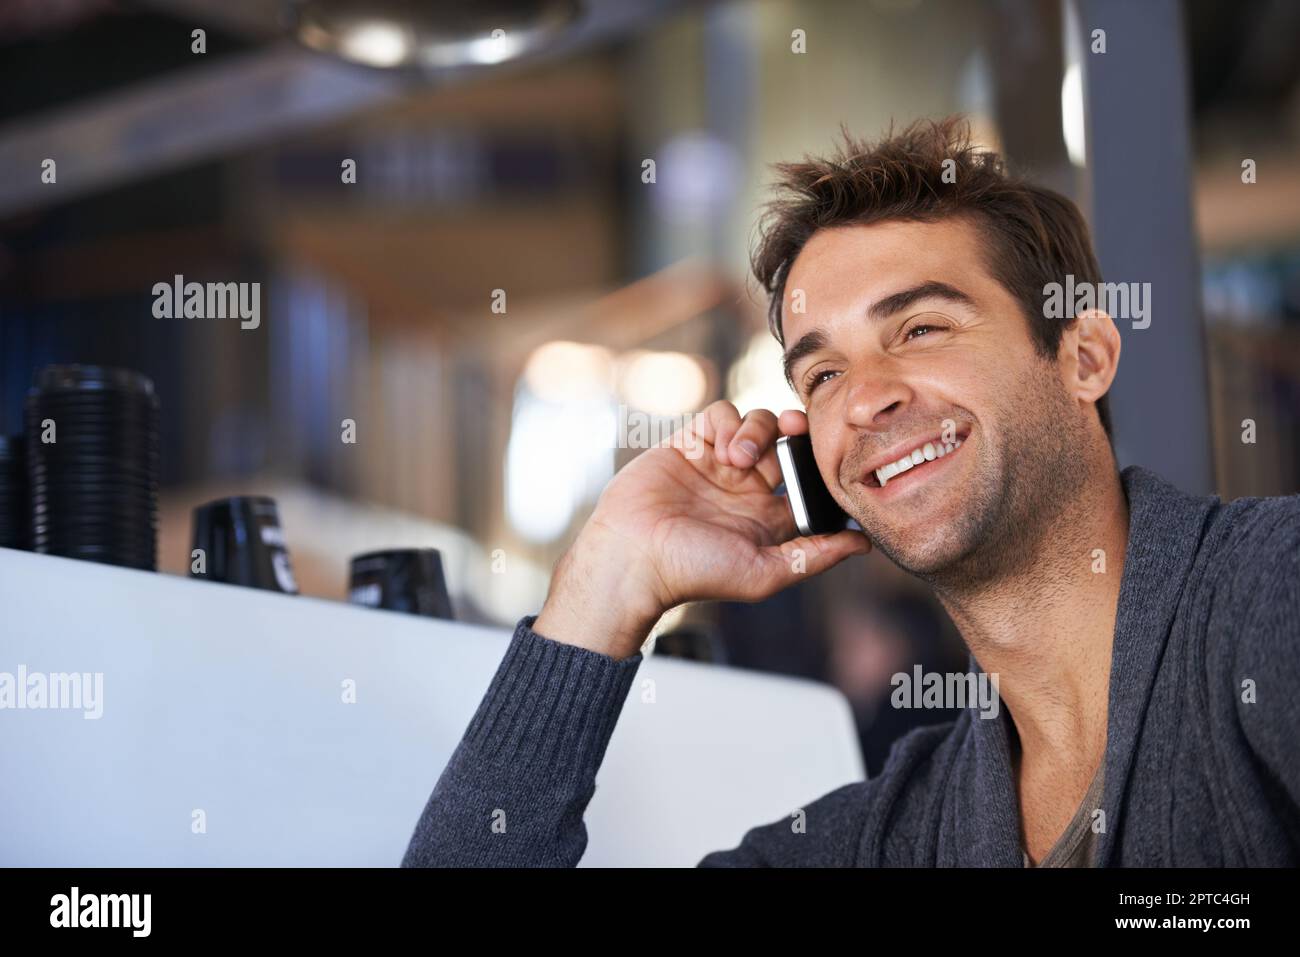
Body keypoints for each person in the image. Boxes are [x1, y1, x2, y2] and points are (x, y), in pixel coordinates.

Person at [402, 117, 1300, 867]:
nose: (867, 397)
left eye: (919, 326)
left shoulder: (1267, 598)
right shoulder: (890, 835)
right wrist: (609, 581)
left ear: (1083, 356)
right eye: (822, 374)